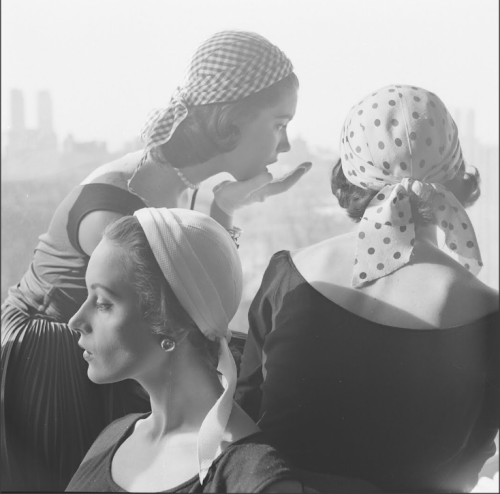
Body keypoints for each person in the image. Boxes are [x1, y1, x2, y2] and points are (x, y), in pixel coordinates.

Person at [1, 29, 311, 491]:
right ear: (231, 123)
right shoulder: (119, 206)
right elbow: (188, 301)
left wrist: (226, 207)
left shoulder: (171, 180)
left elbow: (190, 290)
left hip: (112, 345)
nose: (284, 145)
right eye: (278, 124)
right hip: (53, 358)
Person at [235, 85, 499, 492]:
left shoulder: (290, 274)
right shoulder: (488, 313)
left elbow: (243, 418)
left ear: (349, 173)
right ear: (455, 176)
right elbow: (468, 463)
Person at [66, 208, 302, 493]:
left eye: (103, 303)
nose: (75, 321)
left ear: (171, 326)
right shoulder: (113, 437)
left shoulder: (252, 481)